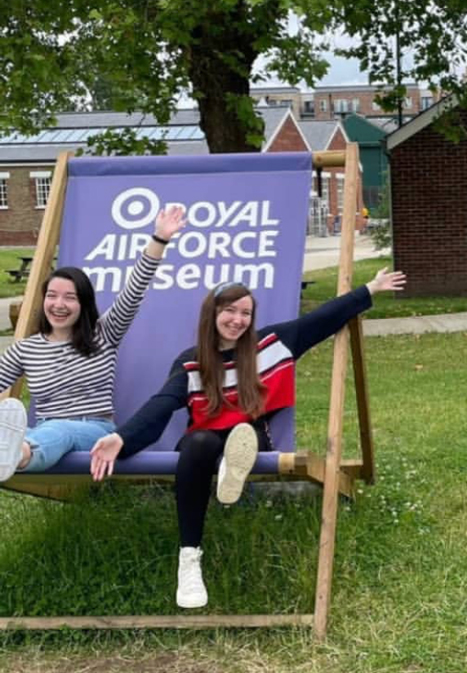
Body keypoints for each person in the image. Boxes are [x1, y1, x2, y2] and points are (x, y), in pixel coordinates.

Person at [89, 266, 407, 608]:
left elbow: (320, 320)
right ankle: (189, 558)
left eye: (245, 313)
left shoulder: (270, 345)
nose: (237, 320)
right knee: (199, 441)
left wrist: (369, 290)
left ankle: (233, 463)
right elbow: (162, 404)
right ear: (212, 313)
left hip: (251, 438)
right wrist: (122, 438)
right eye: (229, 310)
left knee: (244, 433)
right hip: (203, 447)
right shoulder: (191, 362)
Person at [0, 206, 187, 481]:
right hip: (43, 431)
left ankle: (18, 455)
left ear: (84, 304)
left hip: (94, 431)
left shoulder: (104, 333)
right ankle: (14, 450)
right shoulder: (26, 349)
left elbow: (134, 290)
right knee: (42, 432)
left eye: (69, 297)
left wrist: (159, 239)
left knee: (58, 432)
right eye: (52, 296)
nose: (58, 304)